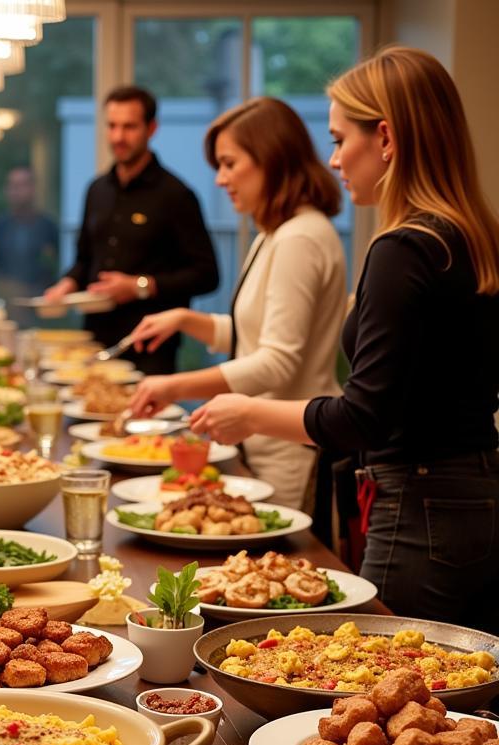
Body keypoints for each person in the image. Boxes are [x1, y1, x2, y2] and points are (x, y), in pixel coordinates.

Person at [190, 46, 499, 629]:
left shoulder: (402, 249)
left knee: (392, 697)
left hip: (419, 504)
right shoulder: (471, 237)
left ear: (385, 138)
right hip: (477, 492)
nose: (333, 159)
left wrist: (251, 413)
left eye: (339, 139)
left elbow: (364, 417)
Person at [126, 98, 347, 509]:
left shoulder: (299, 237)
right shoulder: (277, 232)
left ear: (272, 160)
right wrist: (185, 318)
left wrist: (175, 385)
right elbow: (258, 332)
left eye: (229, 164)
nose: (221, 179)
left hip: (289, 456)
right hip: (265, 447)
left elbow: (278, 360)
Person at [42, 85, 219, 373]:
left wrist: (139, 287)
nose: (118, 137)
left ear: (152, 129)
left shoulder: (176, 195)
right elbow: (85, 260)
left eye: (129, 127)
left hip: (150, 347)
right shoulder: (96, 189)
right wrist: (68, 285)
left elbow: (207, 275)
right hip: (95, 341)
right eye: (112, 126)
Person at [0, 166, 59, 316]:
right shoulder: (1, 225)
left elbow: (51, 269)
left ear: (33, 189)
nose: (15, 191)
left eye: (21, 185)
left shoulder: (47, 227)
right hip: (8, 304)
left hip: (39, 305)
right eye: (11, 185)